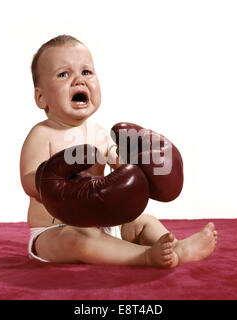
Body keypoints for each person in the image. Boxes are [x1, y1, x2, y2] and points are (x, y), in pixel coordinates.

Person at [20, 35, 218, 268]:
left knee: (144, 221)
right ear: (41, 97)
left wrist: (127, 163)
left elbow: (117, 163)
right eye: (63, 74)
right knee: (77, 239)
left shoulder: (99, 133)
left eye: (86, 72)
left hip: (105, 224)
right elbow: (28, 180)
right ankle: (143, 256)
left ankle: (176, 248)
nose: (78, 81)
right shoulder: (42, 134)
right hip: (54, 231)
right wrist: (52, 177)